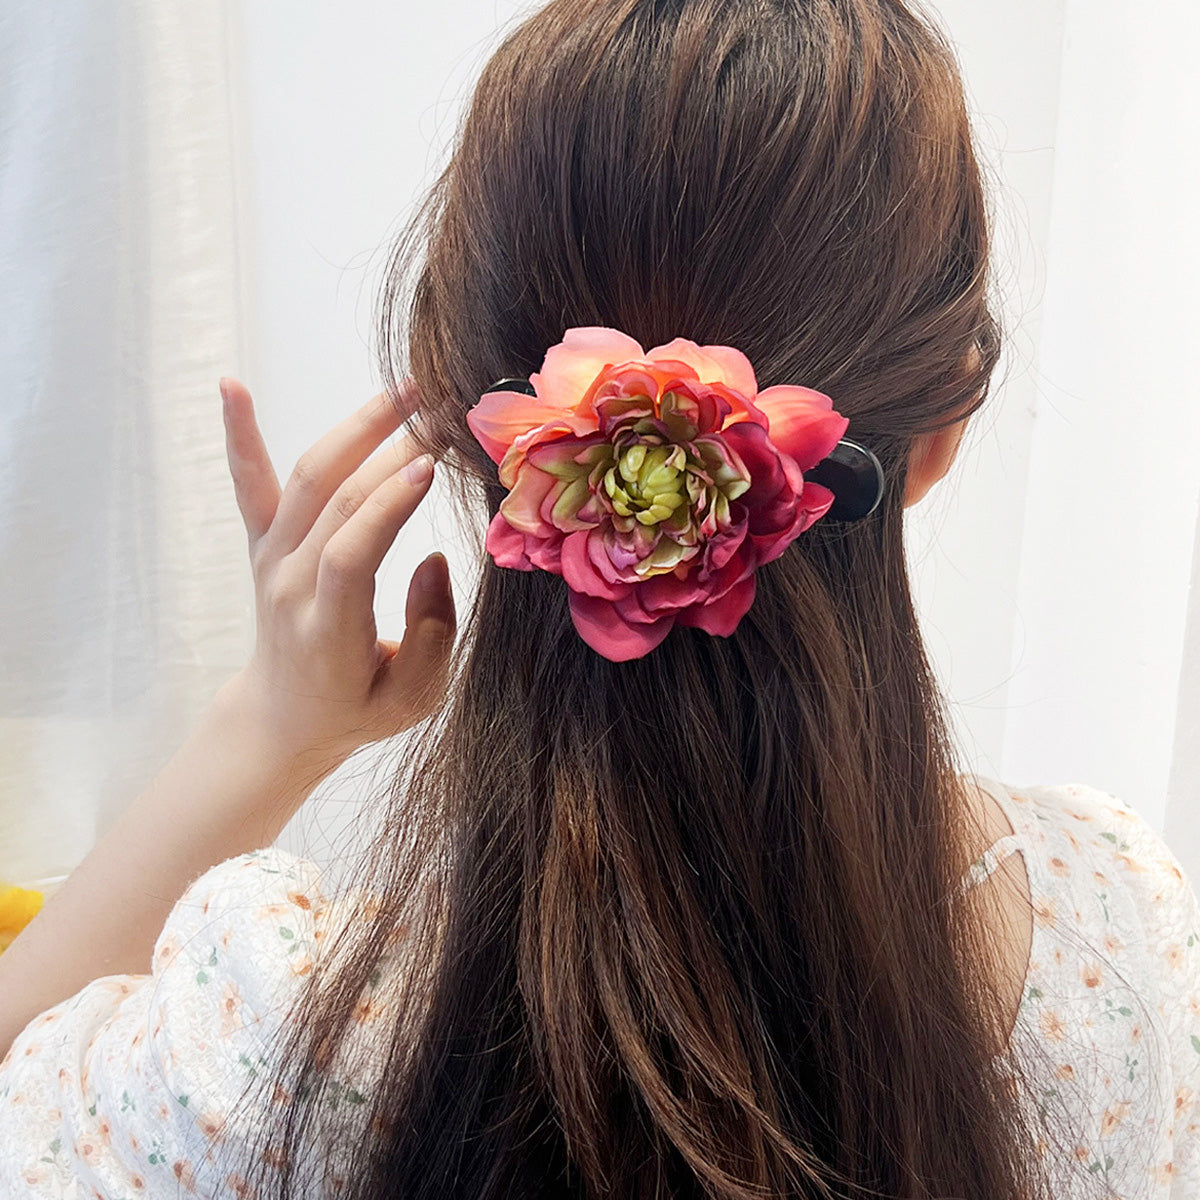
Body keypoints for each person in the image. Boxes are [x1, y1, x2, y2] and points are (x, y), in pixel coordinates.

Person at [1, 0, 1198, 1196]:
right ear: (941, 431)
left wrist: (272, 724)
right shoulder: (1119, 947)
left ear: (482, 431)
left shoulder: (274, 1049)